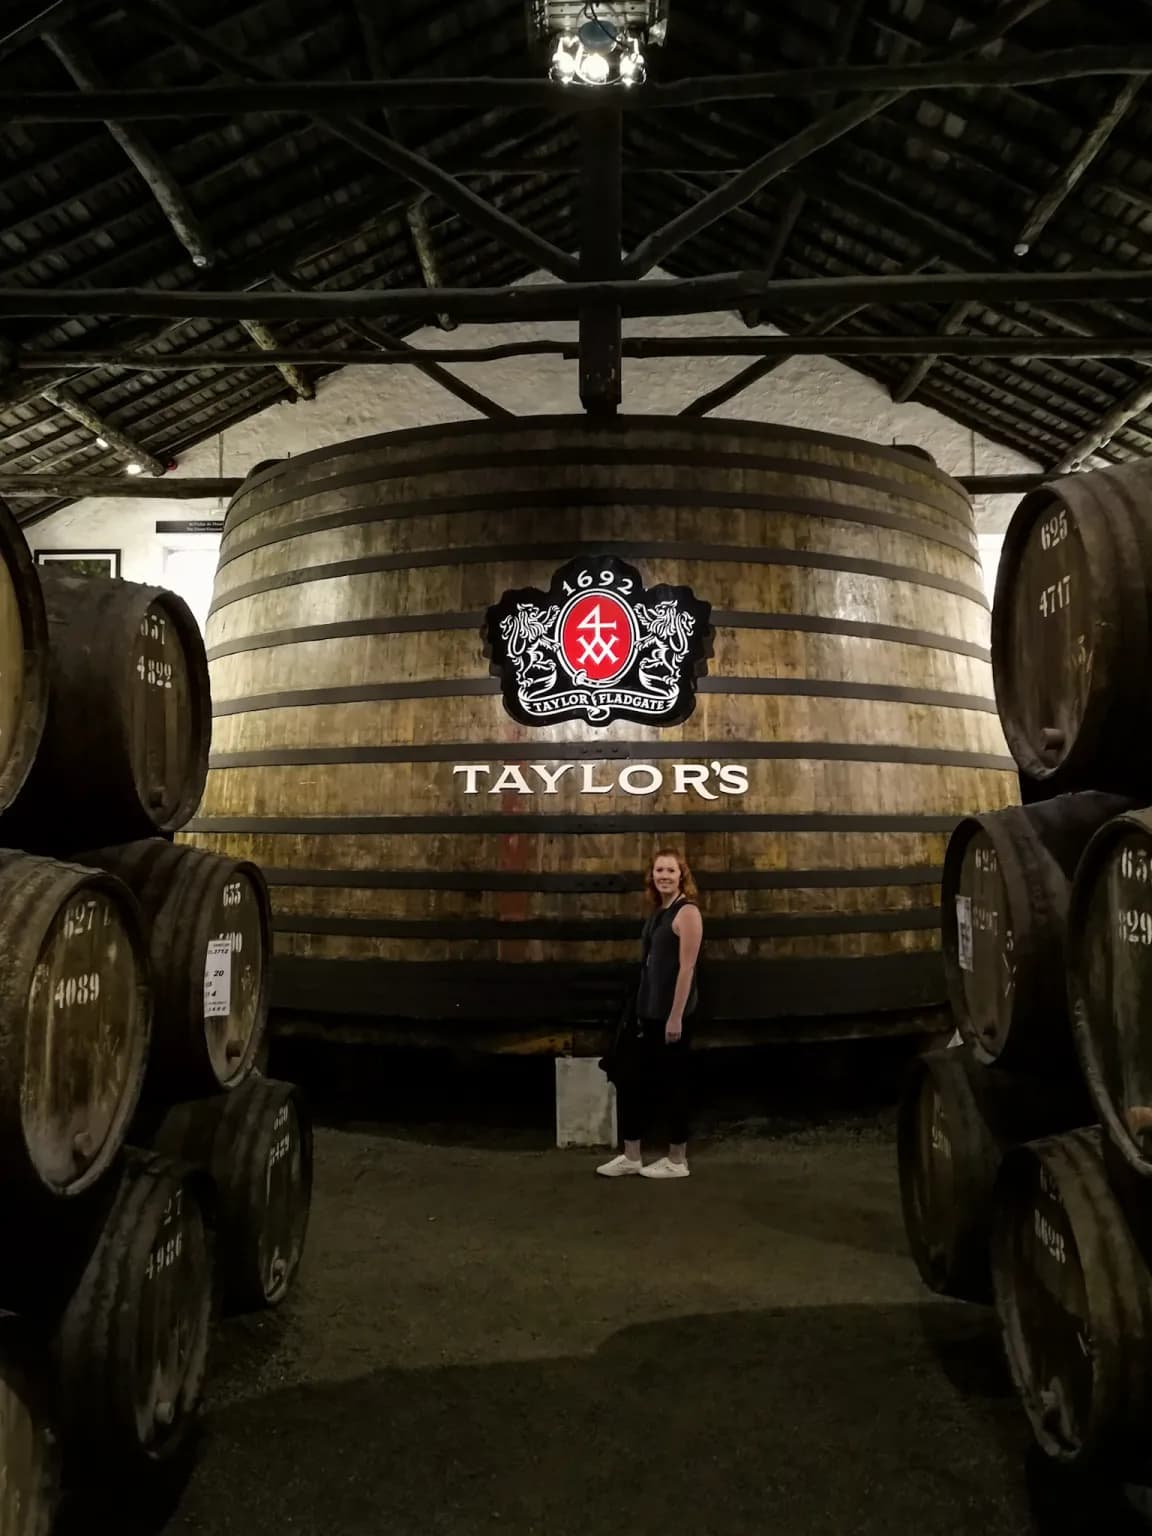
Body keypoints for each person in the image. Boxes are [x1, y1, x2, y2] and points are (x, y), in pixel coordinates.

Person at [597, 848, 704, 1181]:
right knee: (632, 1080)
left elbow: (687, 968)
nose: (664, 876)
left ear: (681, 875)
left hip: (671, 1016)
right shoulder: (659, 912)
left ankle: (677, 1160)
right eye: (659, 871)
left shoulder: (687, 913)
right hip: (648, 1012)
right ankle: (631, 1155)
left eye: (671, 871)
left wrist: (676, 1017)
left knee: (674, 1085)